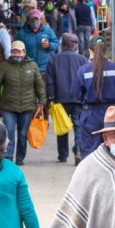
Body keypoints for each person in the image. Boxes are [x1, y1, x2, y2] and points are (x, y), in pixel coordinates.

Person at [0, 41, 46, 166]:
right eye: (14, 51)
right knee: (9, 132)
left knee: (23, 133)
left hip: (27, 106)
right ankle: (8, 157)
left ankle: (20, 157)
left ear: (24, 52)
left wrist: (42, 101)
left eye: (19, 52)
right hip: (8, 106)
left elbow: (39, 85)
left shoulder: (33, 66)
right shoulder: (4, 66)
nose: (17, 54)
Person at [71, 37, 115, 158]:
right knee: (114, 151)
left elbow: (75, 94)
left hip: (90, 116)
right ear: (107, 51)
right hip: (113, 114)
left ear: (90, 51)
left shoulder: (83, 71)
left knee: (90, 154)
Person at [46, 34, 87, 165]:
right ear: (75, 46)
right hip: (78, 98)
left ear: (62, 45)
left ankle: (63, 154)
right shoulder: (83, 60)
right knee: (78, 126)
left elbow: (50, 81)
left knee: (62, 126)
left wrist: (50, 97)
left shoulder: (54, 59)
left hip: (60, 99)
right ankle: (79, 151)